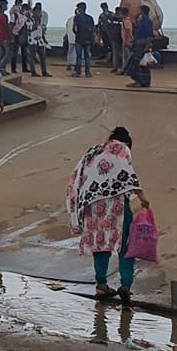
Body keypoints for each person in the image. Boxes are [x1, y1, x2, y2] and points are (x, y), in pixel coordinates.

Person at [67, 127, 151, 308]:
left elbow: (76, 177)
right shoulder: (121, 149)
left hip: (92, 206)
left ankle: (101, 284)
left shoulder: (93, 152)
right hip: (116, 206)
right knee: (125, 244)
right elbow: (128, 175)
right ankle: (126, 285)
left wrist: (77, 210)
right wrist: (142, 197)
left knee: (100, 242)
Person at [125, 5, 155, 88]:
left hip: (142, 46)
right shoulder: (141, 21)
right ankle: (138, 81)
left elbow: (149, 36)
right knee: (136, 64)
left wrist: (147, 47)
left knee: (142, 65)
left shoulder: (148, 22)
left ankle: (142, 82)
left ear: (143, 12)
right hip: (137, 45)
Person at [73, 3, 96, 78]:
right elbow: (93, 30)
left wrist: (77, 34)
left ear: (79, 9)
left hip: (79, 39)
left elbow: (74, 28)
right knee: (87, 57)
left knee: (79, 57)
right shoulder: (90, 18)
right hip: (88, 40)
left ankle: (78, 72)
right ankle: (87, 73)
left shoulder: (77, 17)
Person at [27, 6, 50, 77]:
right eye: (37, 12)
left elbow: (40, 30)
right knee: (32, 57)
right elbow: (32, 28)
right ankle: (33, 71)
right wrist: (37, 20)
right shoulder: (29, 20)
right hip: (32, 41)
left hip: (40, 41)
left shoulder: (40, 20)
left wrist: (44, 39)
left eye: (39, 12)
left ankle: (44, 71)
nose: (39, 13)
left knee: (43, 57)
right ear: (33, 12)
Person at [0, 0, 15, 75]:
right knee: (8, 54)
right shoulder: (4, 16)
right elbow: (7, 28)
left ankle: (1, 70)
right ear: (3, 6)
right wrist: (11, 37)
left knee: (2, 54)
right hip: (6, 38)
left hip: (0, 37)